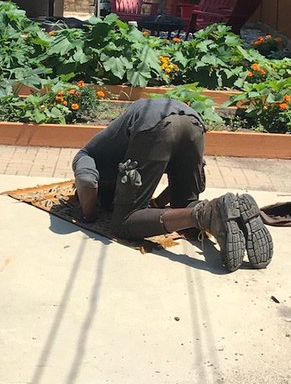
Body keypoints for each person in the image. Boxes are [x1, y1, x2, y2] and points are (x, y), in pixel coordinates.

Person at [72, 97, 273, 271]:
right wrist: (158, 203)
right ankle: (234, 213)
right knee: (185, 205)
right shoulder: (119, 152)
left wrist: (88, 215)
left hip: (155, 125)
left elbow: (86, 181)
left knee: (123, 223)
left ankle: (205, 214)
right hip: (192, 122)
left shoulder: (87, 155)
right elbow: (173, 176)